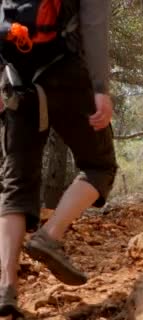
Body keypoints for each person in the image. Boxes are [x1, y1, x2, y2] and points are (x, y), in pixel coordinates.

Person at [0, 0, 117, 317]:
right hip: (65, 75)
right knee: (100, 165)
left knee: (16, 185)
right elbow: (94, 28)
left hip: (15, 82)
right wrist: (100, 88)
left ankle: (6, 288)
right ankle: (49, 236)